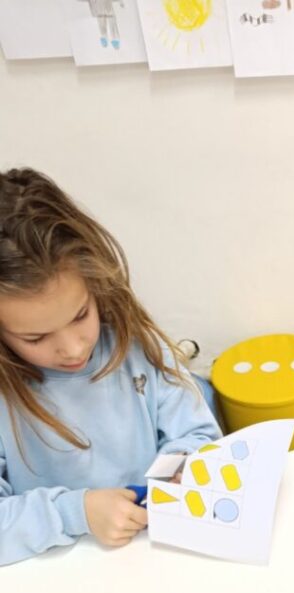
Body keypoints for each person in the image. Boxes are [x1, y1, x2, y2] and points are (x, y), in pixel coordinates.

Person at [0, 167, 222, 566]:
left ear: (95, 281)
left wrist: (180, 471)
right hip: (61, 581)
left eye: (81, 315)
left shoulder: (138, 346)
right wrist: (76, 513)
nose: (73, 348)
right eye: (35, 338)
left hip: (158, 562)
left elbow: (196, 436)